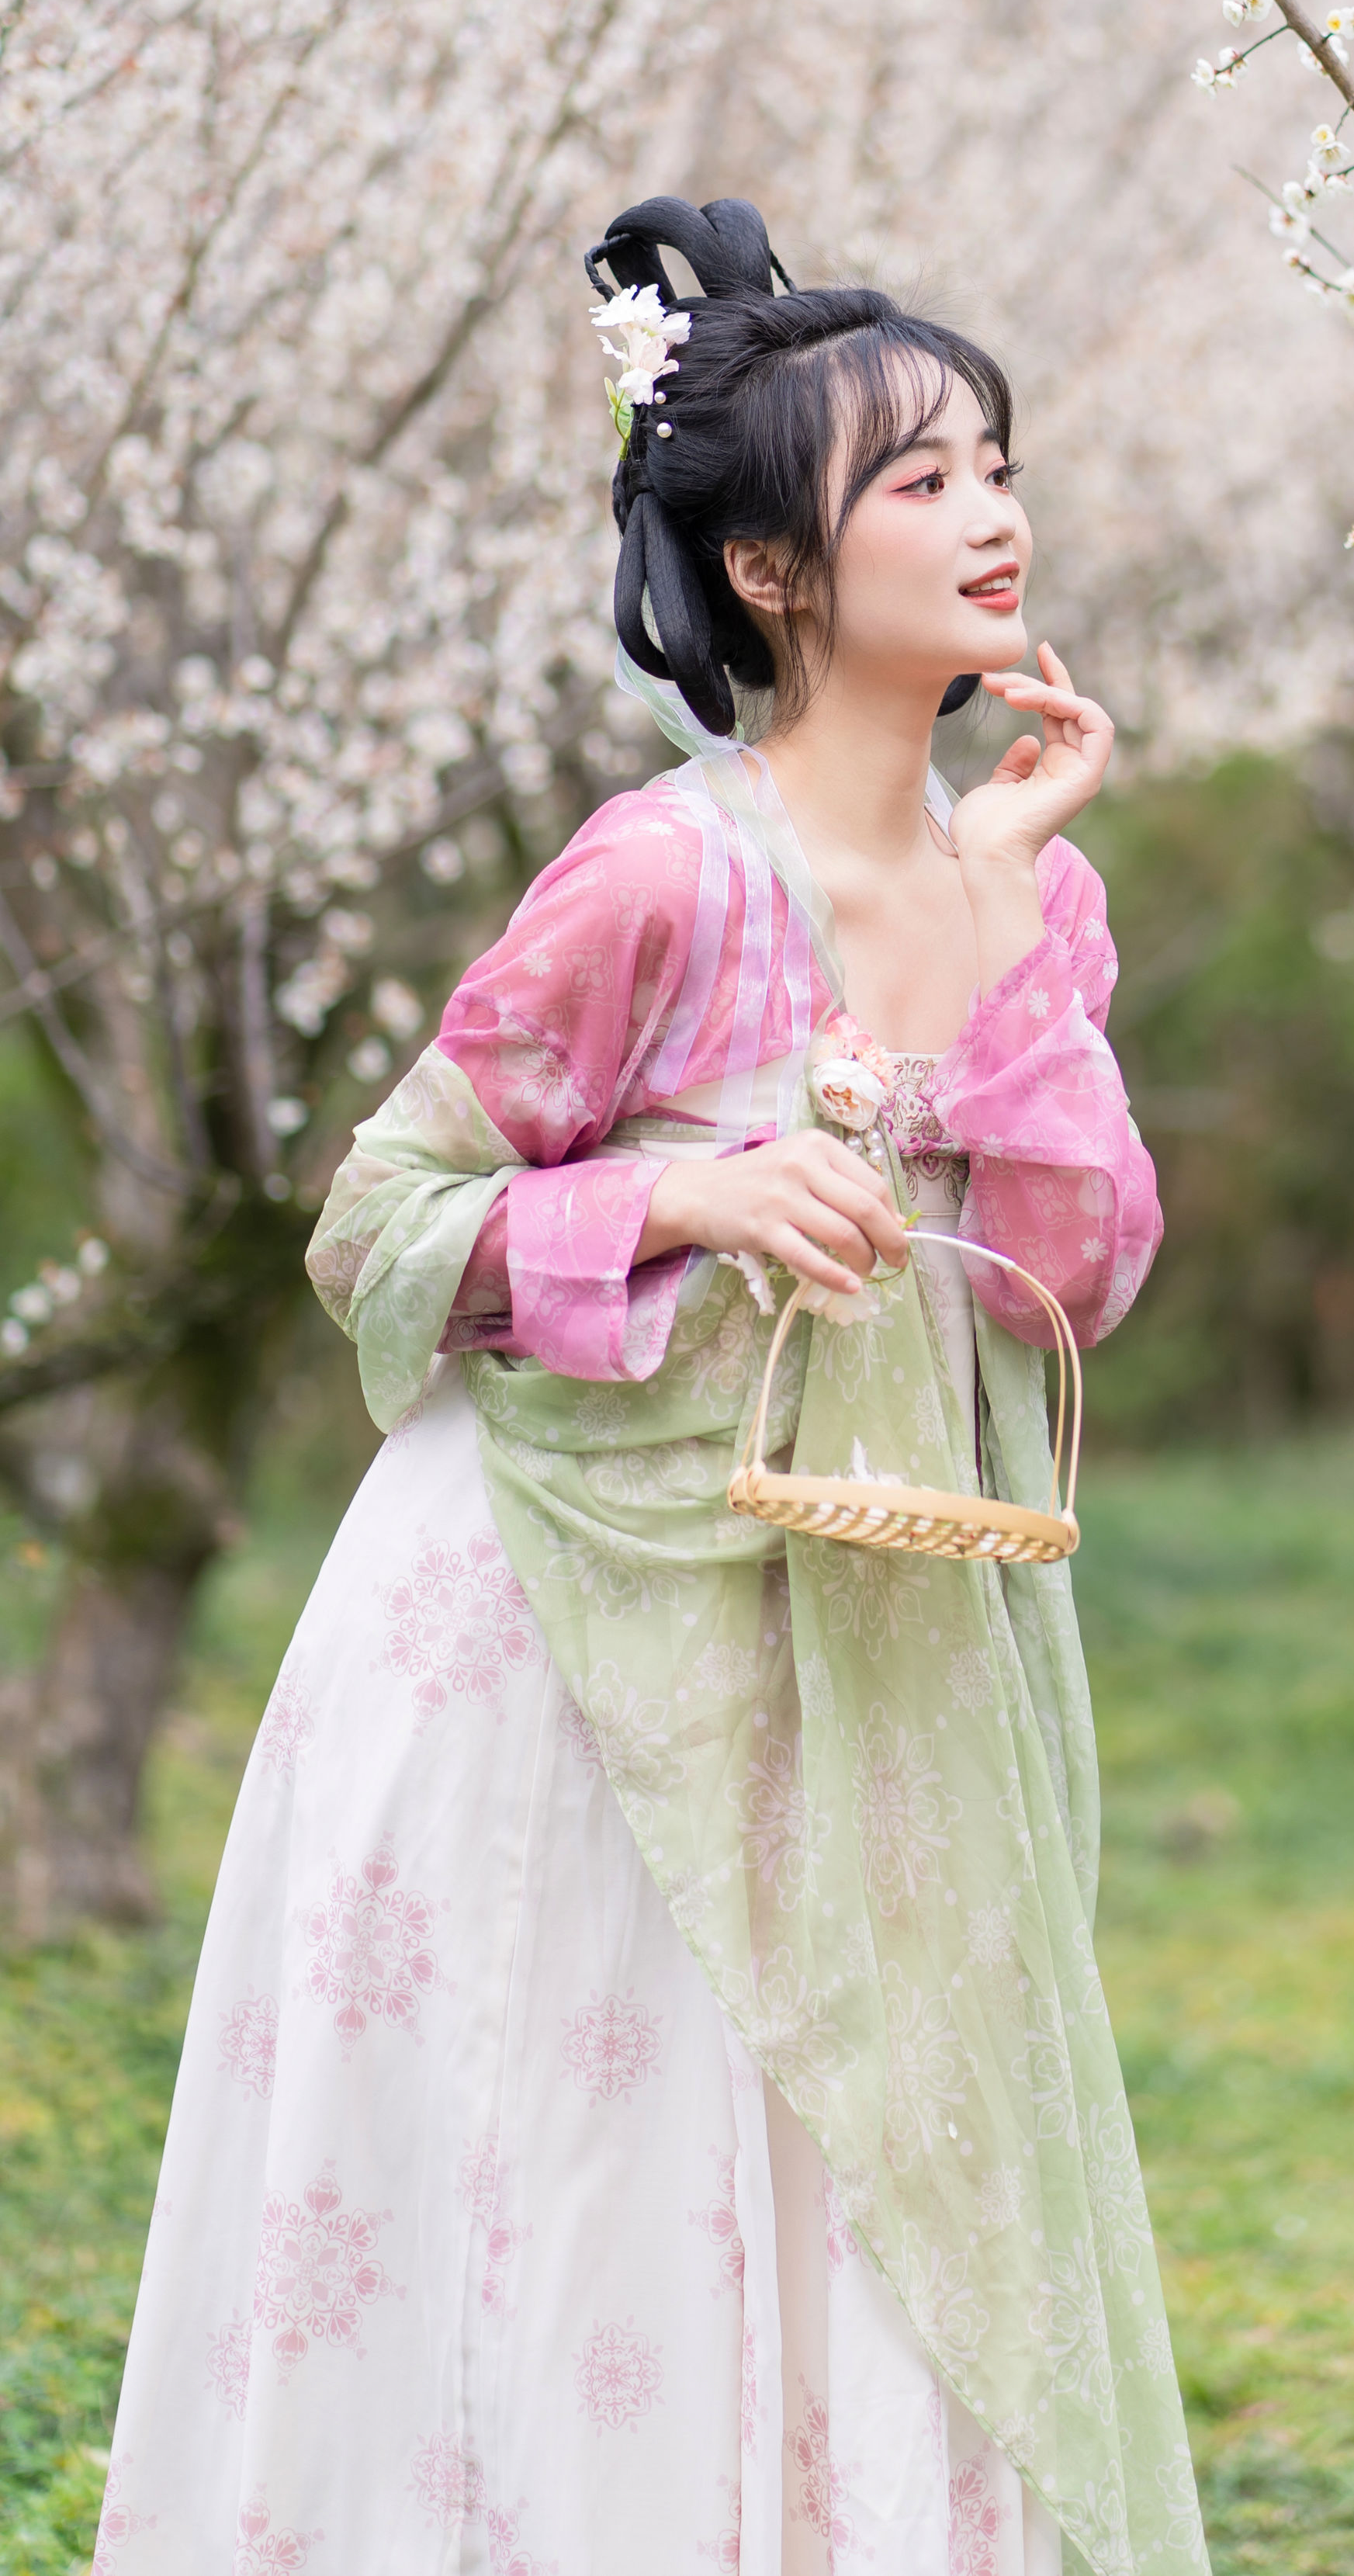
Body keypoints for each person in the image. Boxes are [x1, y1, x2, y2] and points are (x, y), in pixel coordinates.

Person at [94, 196, 1208, 2576]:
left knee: (879, 2167)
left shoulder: (1026, 881)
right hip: (558, 1651)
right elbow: (374, 1223)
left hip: (876, 1639)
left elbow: (1065, 1282)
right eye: (920, 479)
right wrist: (684, 1202)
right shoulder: (657, 880)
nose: (994, 511)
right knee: (595, 2160)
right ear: (770, 565)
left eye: (994, 458)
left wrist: (1008, 929)